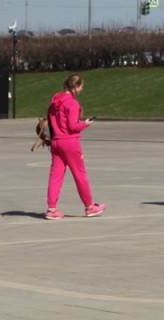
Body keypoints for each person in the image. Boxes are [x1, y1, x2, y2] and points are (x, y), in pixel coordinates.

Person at [45, 73, 105, 220]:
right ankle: (89, 206)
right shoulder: (72, 103)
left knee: (55, 176)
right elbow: (73, 126)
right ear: (76, 86)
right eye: (81, 87)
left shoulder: (53, 103)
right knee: (80, 175)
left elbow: (52, 124)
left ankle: (51, 209)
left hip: (56, 142)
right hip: (69, 142)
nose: (81, 90)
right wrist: (86, 124)